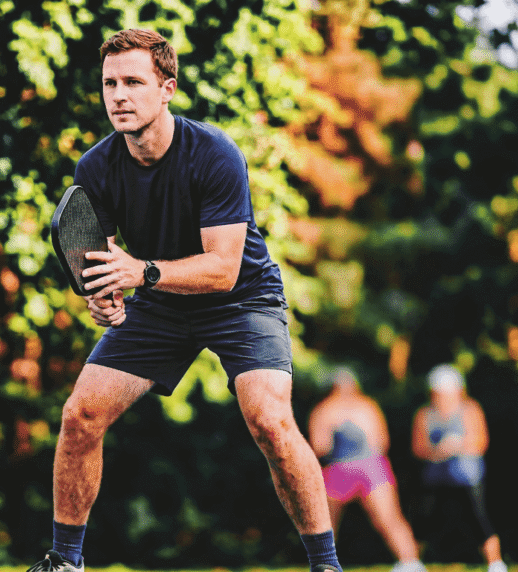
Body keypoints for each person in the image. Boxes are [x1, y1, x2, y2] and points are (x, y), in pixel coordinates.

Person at [26, 29, 342, 572]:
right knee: (80, 414)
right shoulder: (95, 168)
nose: (118, 96)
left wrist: (140, 272)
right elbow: (105, 268)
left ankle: (326, 565)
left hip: (242, 299)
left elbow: (222, 269)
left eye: (133, 82)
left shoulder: (214, 154)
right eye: (109, 84)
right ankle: (65, 562)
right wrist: (104, 300)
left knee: (269, 420)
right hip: (159, 304)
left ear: (167, 88)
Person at [308, 367, 426, 572]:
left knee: (328, 523)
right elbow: (382, 441)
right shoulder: (366, 407)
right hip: (364, 467)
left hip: (348, 468)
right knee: (386, 518)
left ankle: (324, 565)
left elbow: (320, 447)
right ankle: (411, 562)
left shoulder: (326, 410)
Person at [411, 364, 506, 572]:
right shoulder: (424, 414)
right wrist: (438, 451)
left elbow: (481, 442)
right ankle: (411, 563)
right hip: (435, 478)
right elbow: (418, 448)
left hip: (468, 477)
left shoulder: (470, 409)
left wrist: (458, 445)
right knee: (423, 521)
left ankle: (496, 564)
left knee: (479, 519)